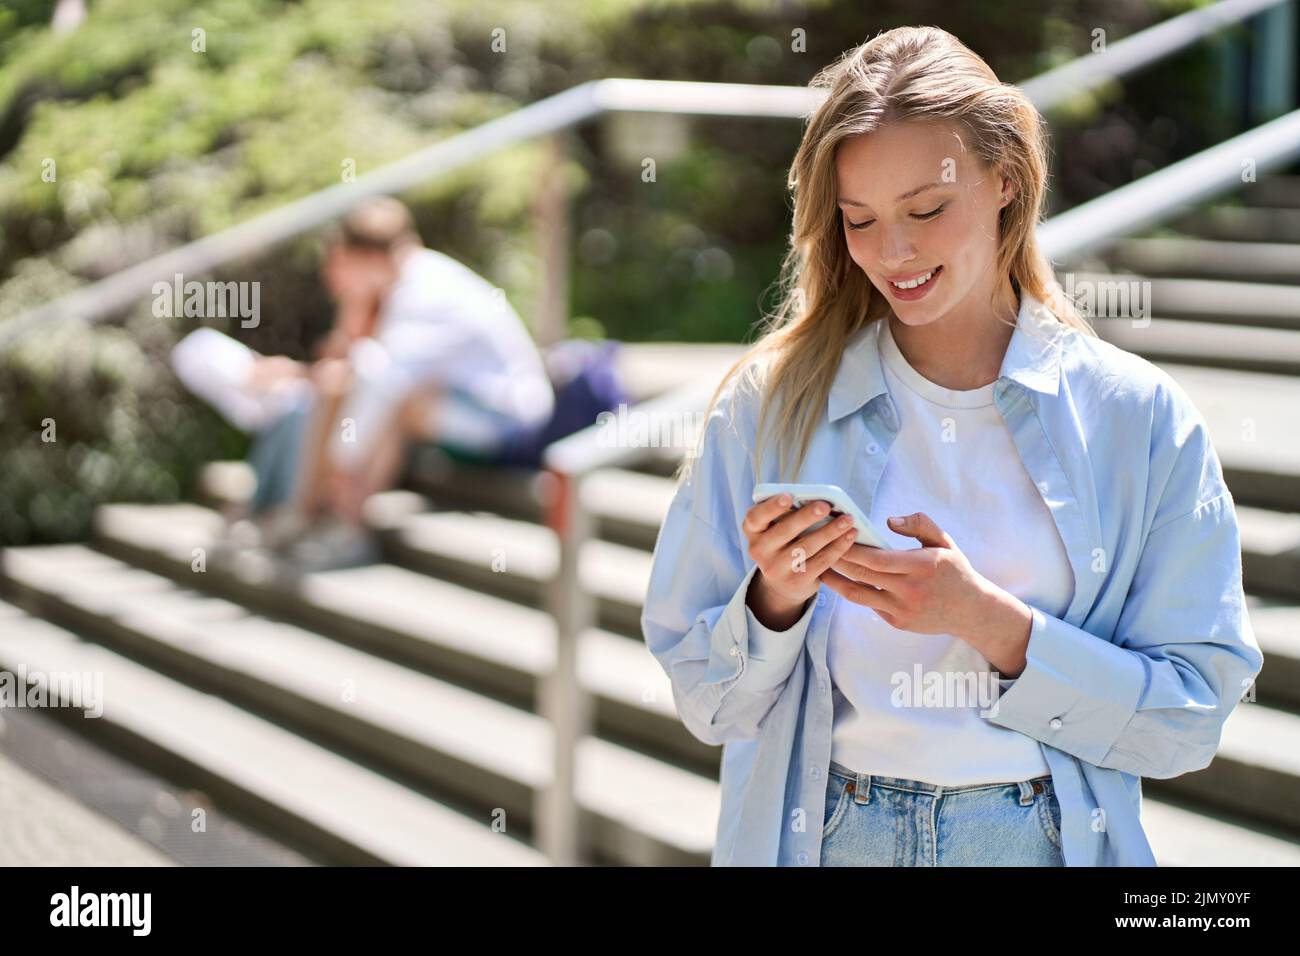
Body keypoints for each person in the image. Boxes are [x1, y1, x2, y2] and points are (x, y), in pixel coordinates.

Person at [640, 25, 1263, 867]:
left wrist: (991, 625)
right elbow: (709, 706)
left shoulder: (1137, 415)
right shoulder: (772, 404)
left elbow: (1190, 721)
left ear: (1007, 180)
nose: (892, 253)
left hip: (1039, 841)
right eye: (859, 220)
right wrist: (773, 602)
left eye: (926, 210)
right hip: (827, 838)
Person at [172, 197, 555, 570]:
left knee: (392, 394)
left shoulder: (428, 293)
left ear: (368, 259)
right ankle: (301, 513)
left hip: (511, 427)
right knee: (360, 385)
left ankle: (348, 525)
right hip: (460, 413)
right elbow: (346, 371)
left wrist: (340, 466)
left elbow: (381, 377)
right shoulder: (400, 285)